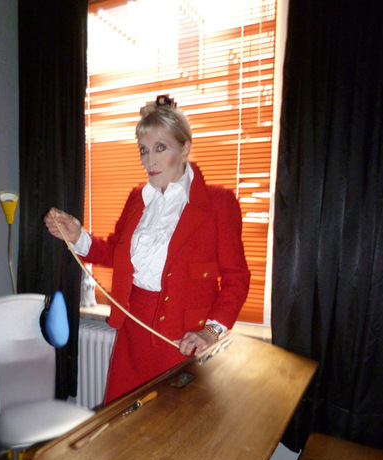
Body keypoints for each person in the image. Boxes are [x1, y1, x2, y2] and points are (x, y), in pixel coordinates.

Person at [44, 95, 250, 405]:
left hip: (183, 342)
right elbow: (115, 253)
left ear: (184, 149)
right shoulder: (137, 199)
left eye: (160, 148)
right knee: (124, 420)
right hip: (133, 335)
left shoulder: (219, 204)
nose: (149, 161)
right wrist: (78, 236)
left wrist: (210, 332)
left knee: (174, 426)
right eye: (143, 150)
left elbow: (237, 278)